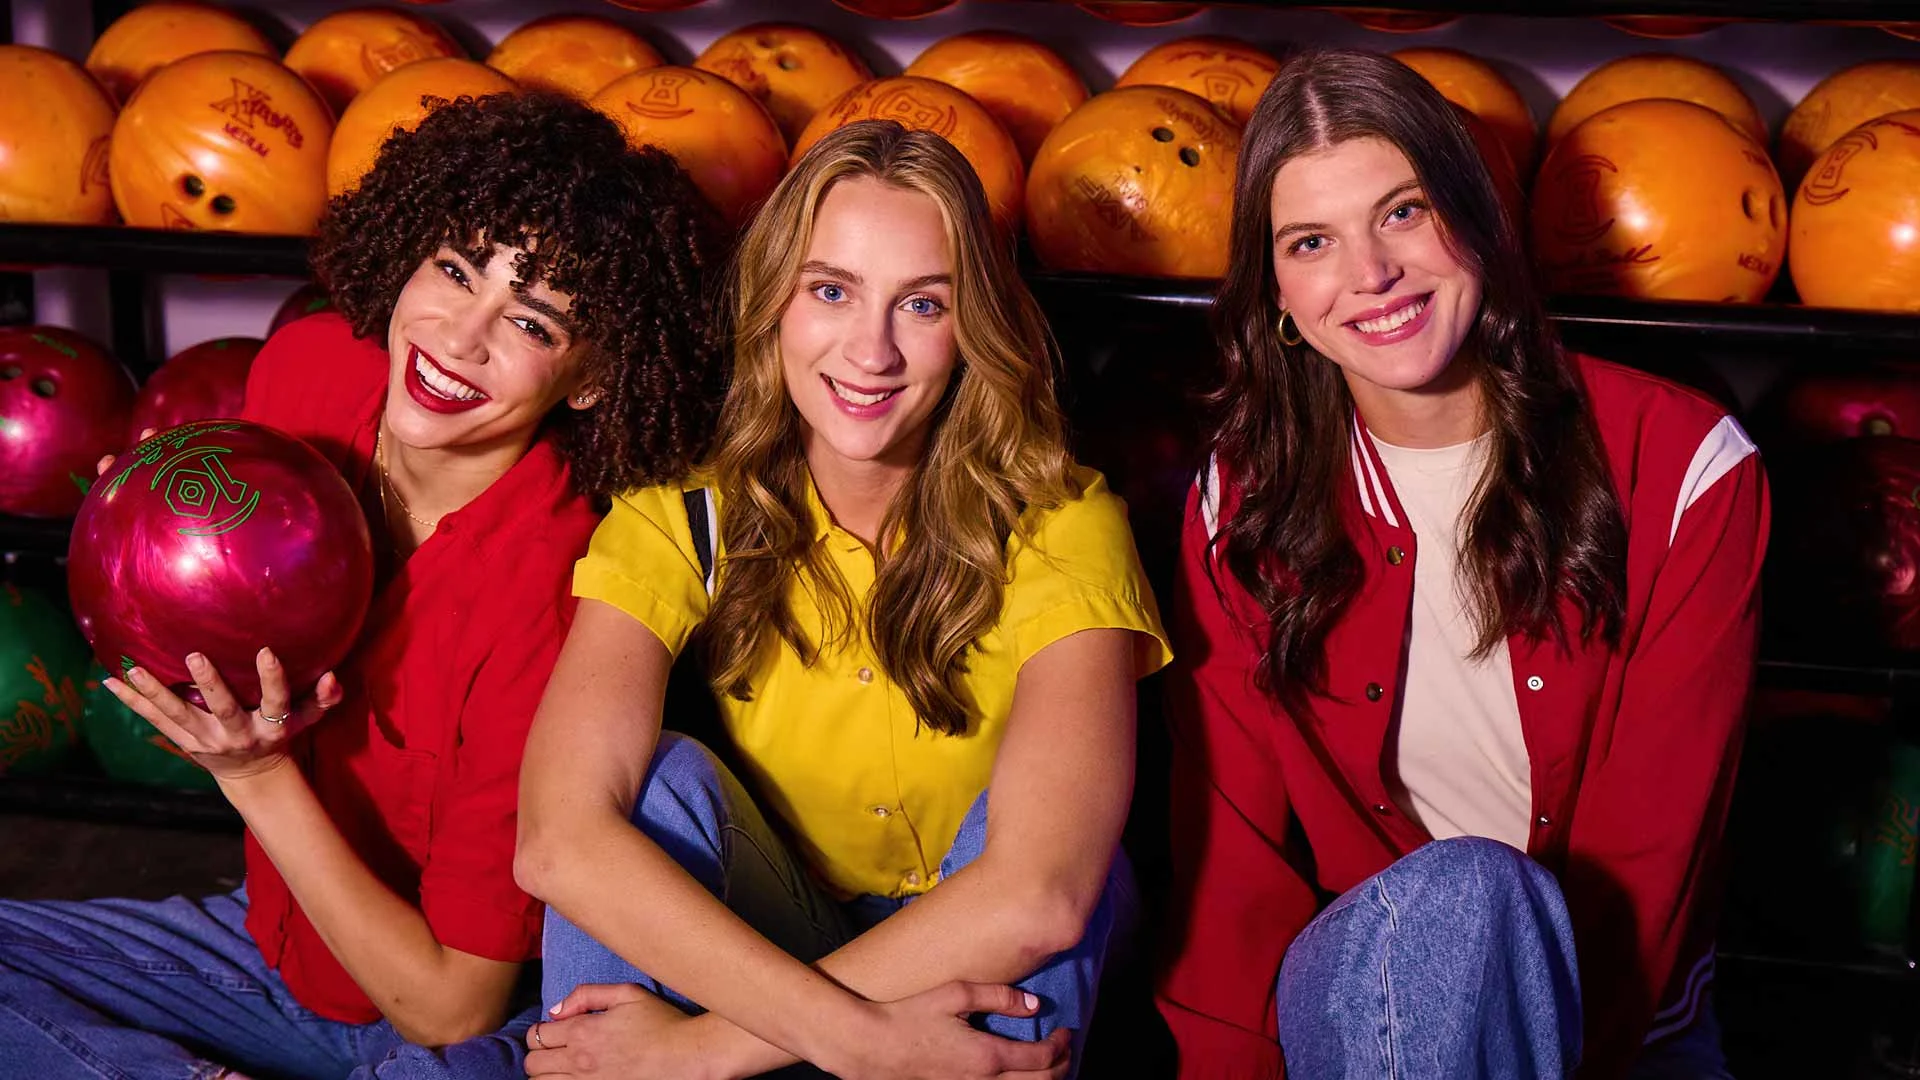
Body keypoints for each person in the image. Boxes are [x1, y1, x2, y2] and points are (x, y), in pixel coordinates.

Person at [0, 91, 725, 1079]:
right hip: (271, 949)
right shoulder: (304, 375)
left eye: (532, 321)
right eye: (457, 270)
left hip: (454, 1020)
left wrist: (257, 777)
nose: (460, 340)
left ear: (594, 378)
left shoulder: (556, 604)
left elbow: (451, 1004)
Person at [512, 119, 1170, 1080]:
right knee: (651, 791)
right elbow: (558, 843)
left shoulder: (1061, 522)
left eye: (922, 305)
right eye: (832, 291)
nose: (872, 350)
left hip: (979, 941)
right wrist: (856, 1037)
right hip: (783, 915)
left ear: (973, 327)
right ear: (775, 300)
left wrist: (697, 1053)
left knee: (1034, 847)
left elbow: (1041, 898)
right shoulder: (678, 516)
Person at [1157, 49, 1769, 1080]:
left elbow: (1653, 863)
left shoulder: (1688, 469)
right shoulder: (1238, 502)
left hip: (1611, 1029)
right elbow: (1232, 861)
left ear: (1474, 216)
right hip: (1353, 1007)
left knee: (1483, 899)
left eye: (1402, 213)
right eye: (1313, 241)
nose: (1370, 274)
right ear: (1278, 297)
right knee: (1460, 896)